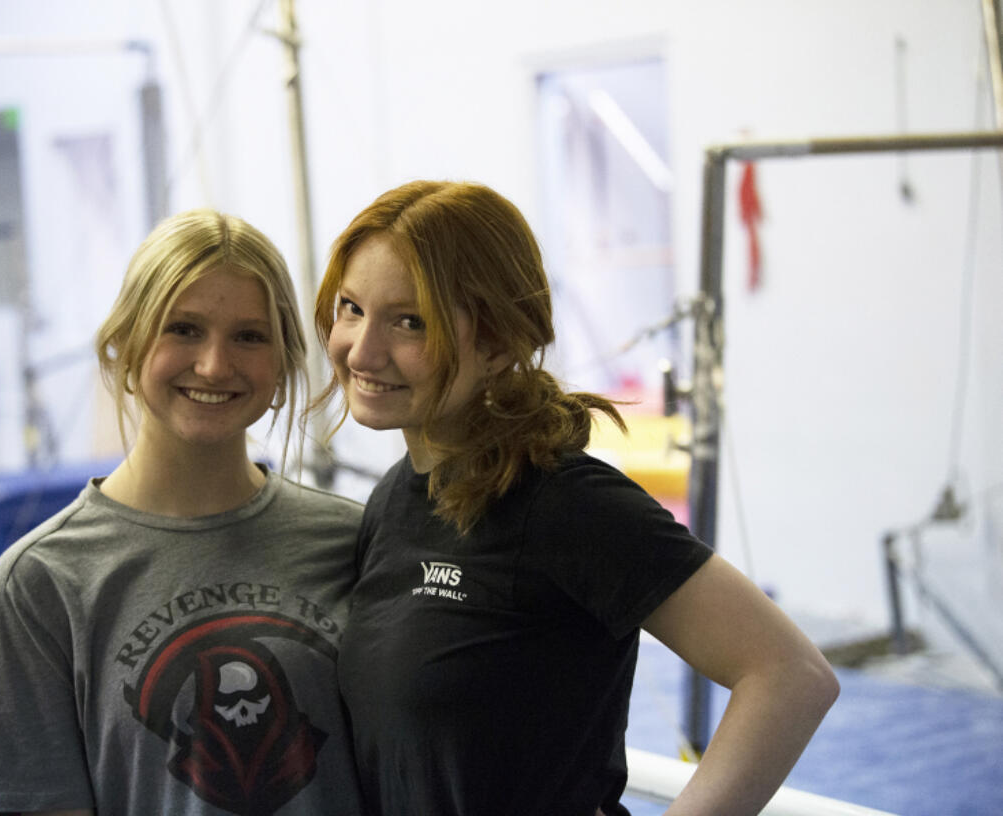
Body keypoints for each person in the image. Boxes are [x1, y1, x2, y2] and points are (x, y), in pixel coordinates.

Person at [314, 180, 840, 816]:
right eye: (351, 309)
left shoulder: (562, 504)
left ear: (497, 342)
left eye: (409, 322)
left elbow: (789, 676)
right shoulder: (395, 501)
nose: (363, 351)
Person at [0, 209, 366, 816]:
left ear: (283, 367)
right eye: (183, 329)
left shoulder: (351, 540)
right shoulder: (43, 581)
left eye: (249, 336)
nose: (214, 365)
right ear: (124, 346)